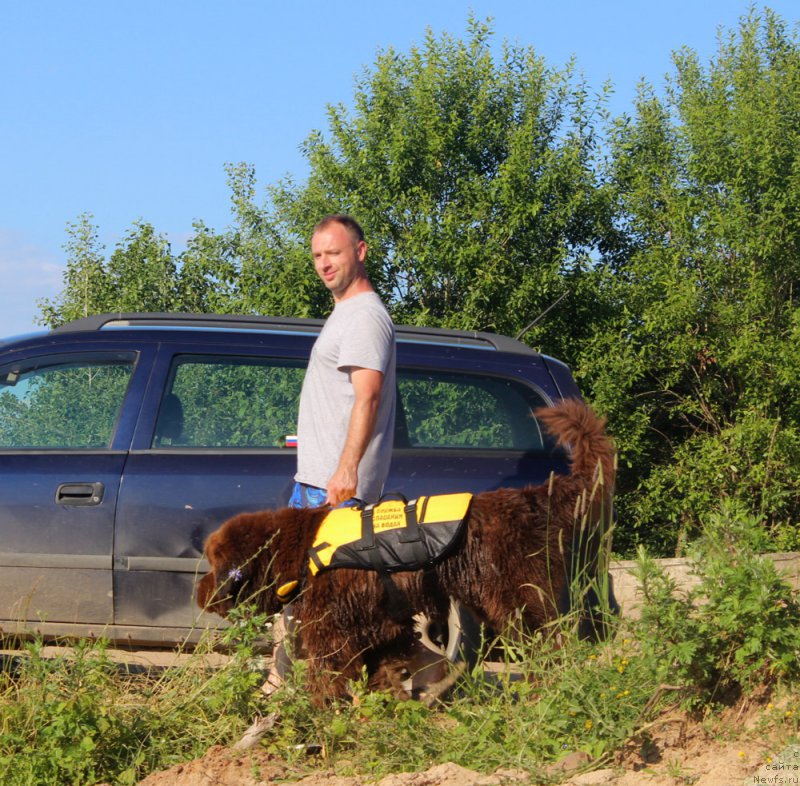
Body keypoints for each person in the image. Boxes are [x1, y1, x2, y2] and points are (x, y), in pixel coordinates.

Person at [263, 213, 396, 694]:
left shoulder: (363, 316)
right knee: (299, 594)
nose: (324, 264)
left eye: (334, 253)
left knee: (315, 600)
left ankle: (293, 695)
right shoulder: (345, 313)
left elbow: (368, 397)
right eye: (318, 255)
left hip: (332, 486)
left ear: (360, 252)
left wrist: (345, 470)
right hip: (318, 479)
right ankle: (279, 688)